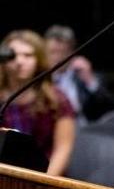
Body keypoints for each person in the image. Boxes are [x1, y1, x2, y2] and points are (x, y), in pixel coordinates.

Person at [0, 29, 75, 175]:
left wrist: (42, 183)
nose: (20, 61)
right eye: (13, 56)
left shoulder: (56, 99)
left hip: (44, 181)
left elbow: (63, 149)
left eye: (28, 55)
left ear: (39, 59)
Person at [43, 24, 114, 124]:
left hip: (82, 130)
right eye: (53, 52)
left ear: (72, 52)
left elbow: (111, 110)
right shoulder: (37, 77)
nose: (58, 58)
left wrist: (90, 81)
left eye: (63, 52)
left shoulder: (85, 76)